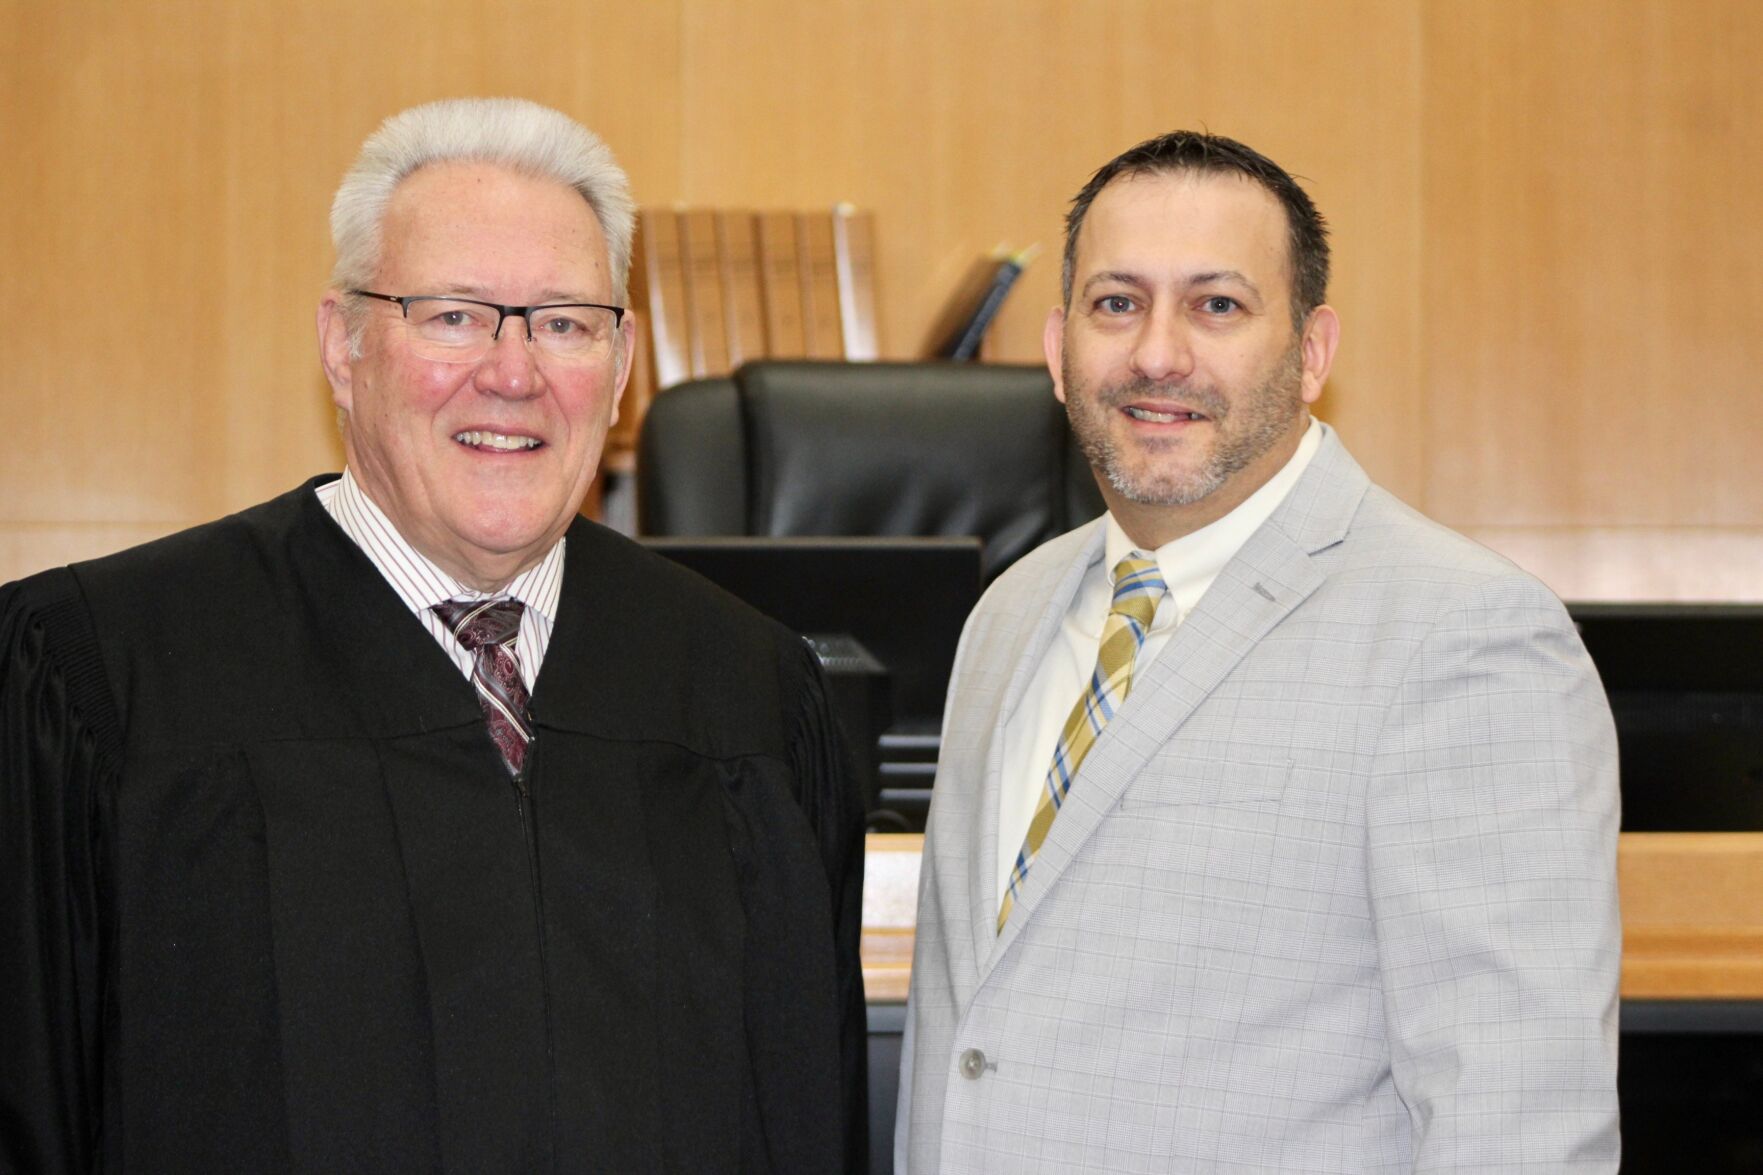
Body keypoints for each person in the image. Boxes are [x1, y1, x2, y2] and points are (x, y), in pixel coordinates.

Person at [1, 97, 866, 1174]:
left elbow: (808, 1113)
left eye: (563, 321)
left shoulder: (749, 692)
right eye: (452, 314)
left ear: (621, 361)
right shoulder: (104, 674)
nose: (511, 372)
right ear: (343, 343)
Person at [896, 131, 1621, 1172]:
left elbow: (1515, 1119)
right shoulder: (1006, 613)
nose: (1156, 353)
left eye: (1216, 305)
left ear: (1312, 351)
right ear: (1057, 352)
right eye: (1115, 303)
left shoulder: (1463, 637)